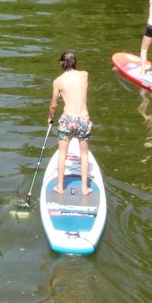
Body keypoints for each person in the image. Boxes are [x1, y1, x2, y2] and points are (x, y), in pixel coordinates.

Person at [48, 50, 93, 195]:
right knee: (84, 155)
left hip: (67, 120)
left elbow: (54, 104)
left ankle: (60, 187)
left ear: (62, 63)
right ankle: (85, 188)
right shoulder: (84, 75)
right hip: (83, 120)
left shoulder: (58, 81)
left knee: (62, 154)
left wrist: (51, 117)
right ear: (75, 62)